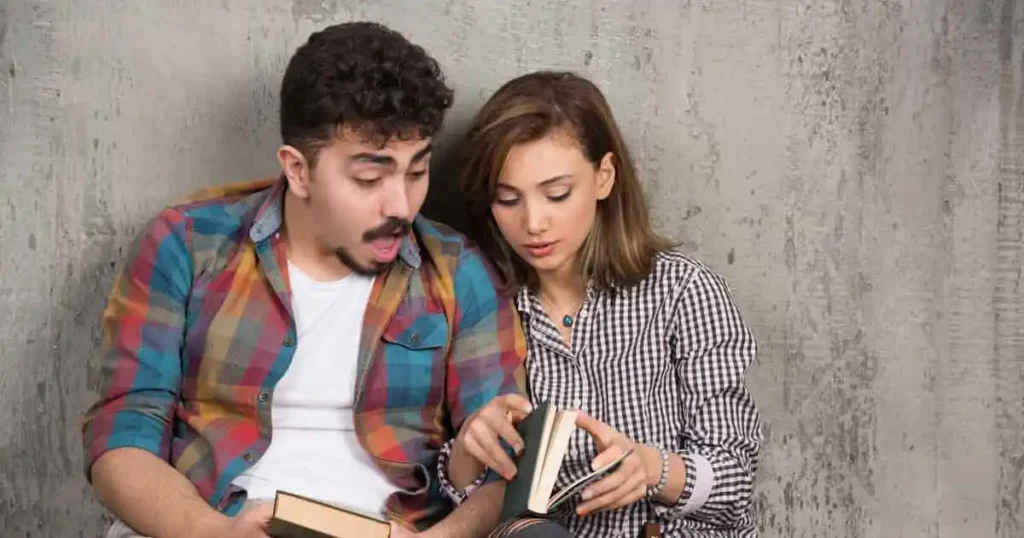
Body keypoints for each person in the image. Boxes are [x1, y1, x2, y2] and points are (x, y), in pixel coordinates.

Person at [80, 22, 529, 538]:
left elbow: (501, 467)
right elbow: (122, 435)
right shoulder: (187, 244)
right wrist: (210, 532)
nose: (400, 206)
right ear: (297, 169)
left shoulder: (457, 271)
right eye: (368, 178)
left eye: (416, 171)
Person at [440, 71, 764, 537]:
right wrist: (469, 451)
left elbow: (735, 478)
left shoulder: (683, 291)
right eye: (507, 199)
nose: (534, 223)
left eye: (557, 194)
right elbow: (480, 505)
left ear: (604, 177)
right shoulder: (486, 307)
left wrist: (652, 469)